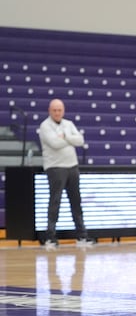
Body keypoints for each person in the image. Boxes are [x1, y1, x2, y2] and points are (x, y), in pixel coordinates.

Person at [38, 98, 94, 250]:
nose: (57, 112)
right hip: (55, 167)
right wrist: (71, 140)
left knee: (76, 201)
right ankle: (50, 237)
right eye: (54, 110)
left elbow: (80, 140)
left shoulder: (68, 124)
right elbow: (54, 144)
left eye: (59, 110)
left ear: (63, 111)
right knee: (55, 201)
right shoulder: (45, 126)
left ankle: (82, 235)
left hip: (72, 167)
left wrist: (66, 138)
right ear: (50, 111)